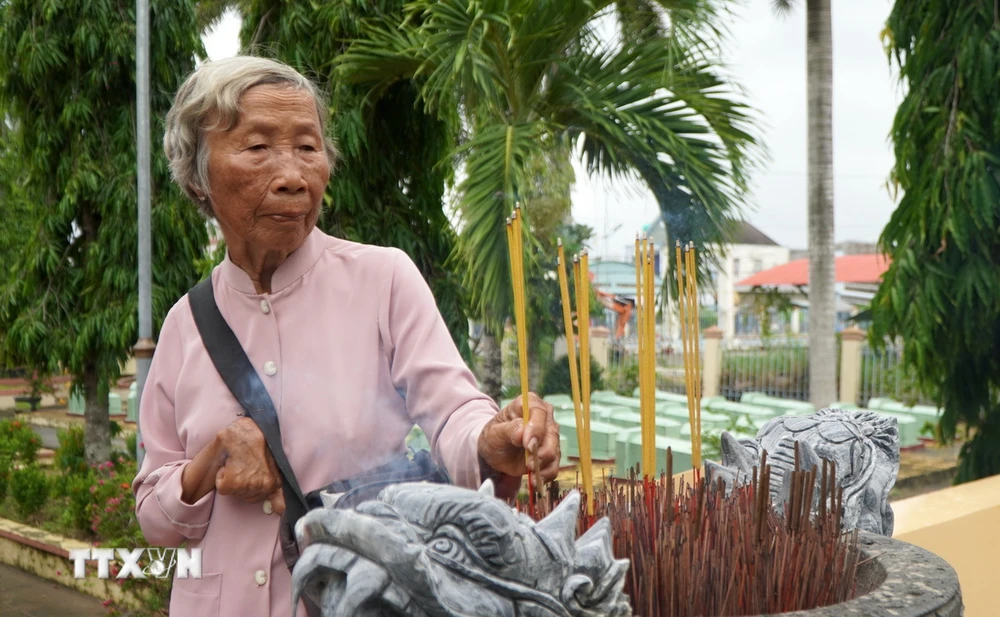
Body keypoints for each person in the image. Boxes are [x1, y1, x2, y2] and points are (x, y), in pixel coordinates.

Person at [132, 55, 561, 617]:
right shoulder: (185, 325)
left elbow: (453, 412)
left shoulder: (383, 280)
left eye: (308, 148)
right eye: (258, 148)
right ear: (198, 176)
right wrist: (208, 462)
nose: (292, 174)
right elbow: (153, 517)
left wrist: (489, 442)